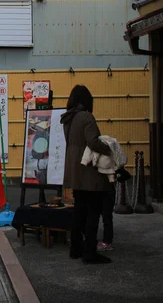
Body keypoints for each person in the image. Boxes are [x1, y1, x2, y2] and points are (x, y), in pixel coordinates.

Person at [60, 85, 113, 264]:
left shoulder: (68, 119)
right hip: (88, 171)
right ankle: (90, 252)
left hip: (74, 171)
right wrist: (109, 149)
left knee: (79, 211)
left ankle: (75, 249)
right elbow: (93, 142)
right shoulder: (86, 117)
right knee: (93, 212)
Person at [98, 184, 116, 251]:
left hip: (106, 191)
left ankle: (107, 241)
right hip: (107, 190)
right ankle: (107, 241)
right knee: (107, 217)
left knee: (106, 218)